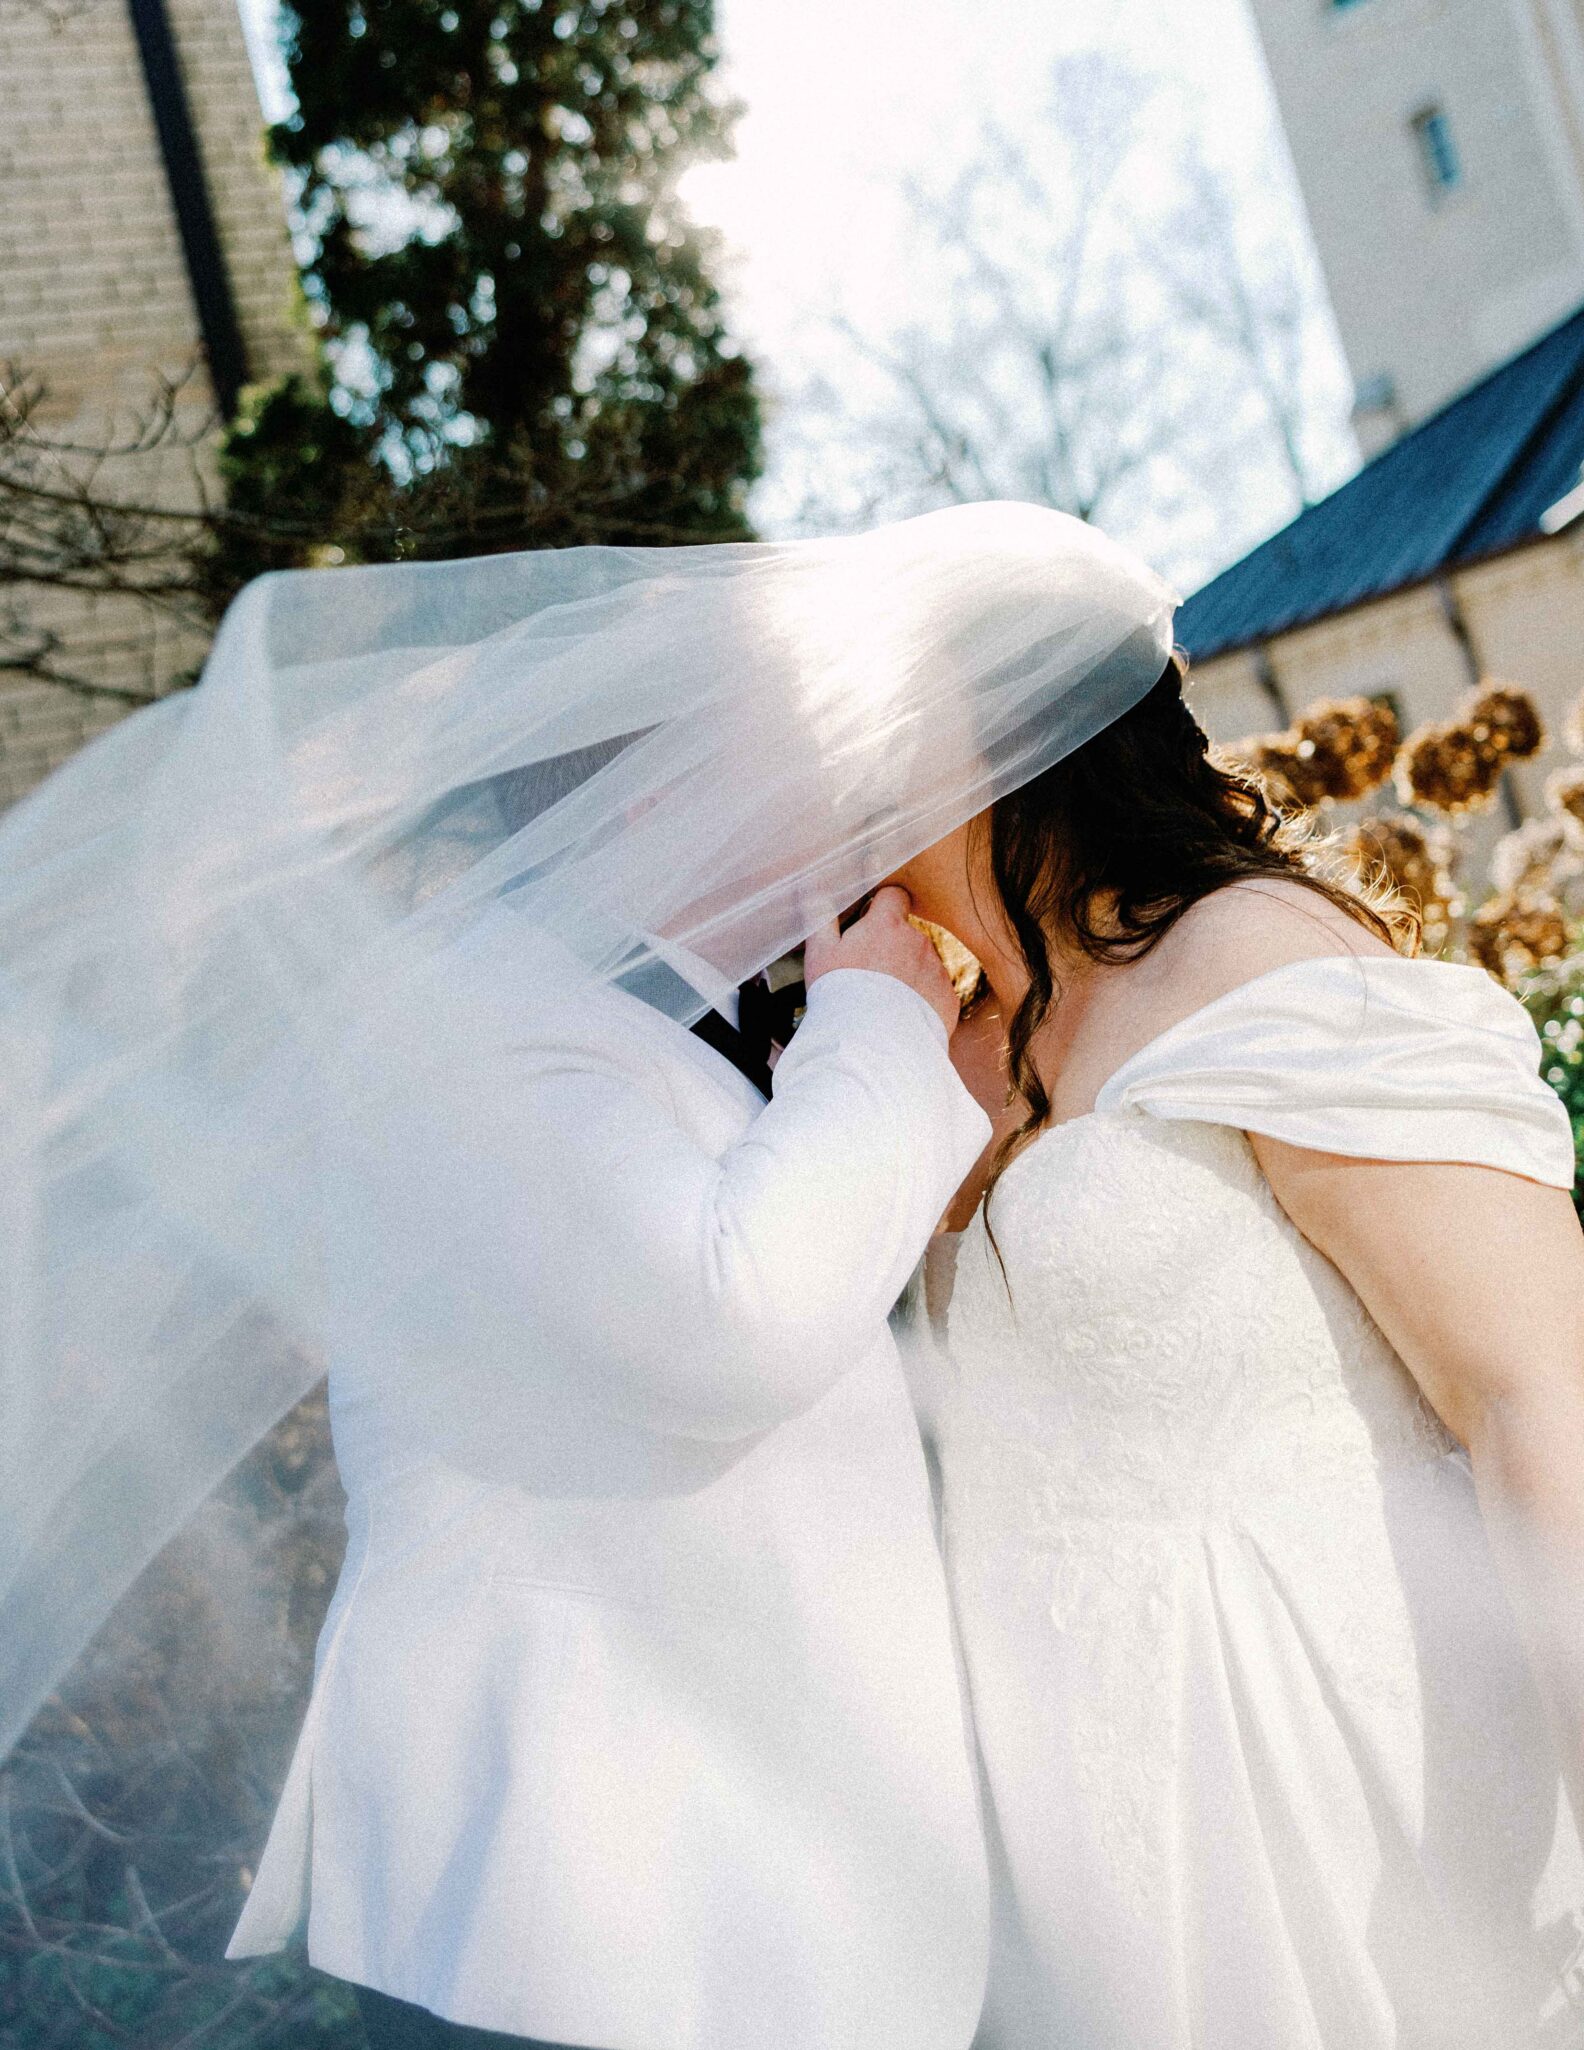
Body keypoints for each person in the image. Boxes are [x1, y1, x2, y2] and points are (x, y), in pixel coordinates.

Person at [0, 503, 1177, 2047]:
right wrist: (878, 1035)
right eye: (801, 732)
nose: (848, 773)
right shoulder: (462, 1006)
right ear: (665, 778)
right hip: (567, 1906)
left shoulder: (671, 1021)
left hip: (737, 1903)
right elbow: (723, 1323)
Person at [890, 656, 1584, 2049]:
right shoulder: (932, 1056)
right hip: (1077, 1818)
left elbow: (1532, 1389)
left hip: (1324, 1746)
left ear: (990, 741)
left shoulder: (1253, 952)